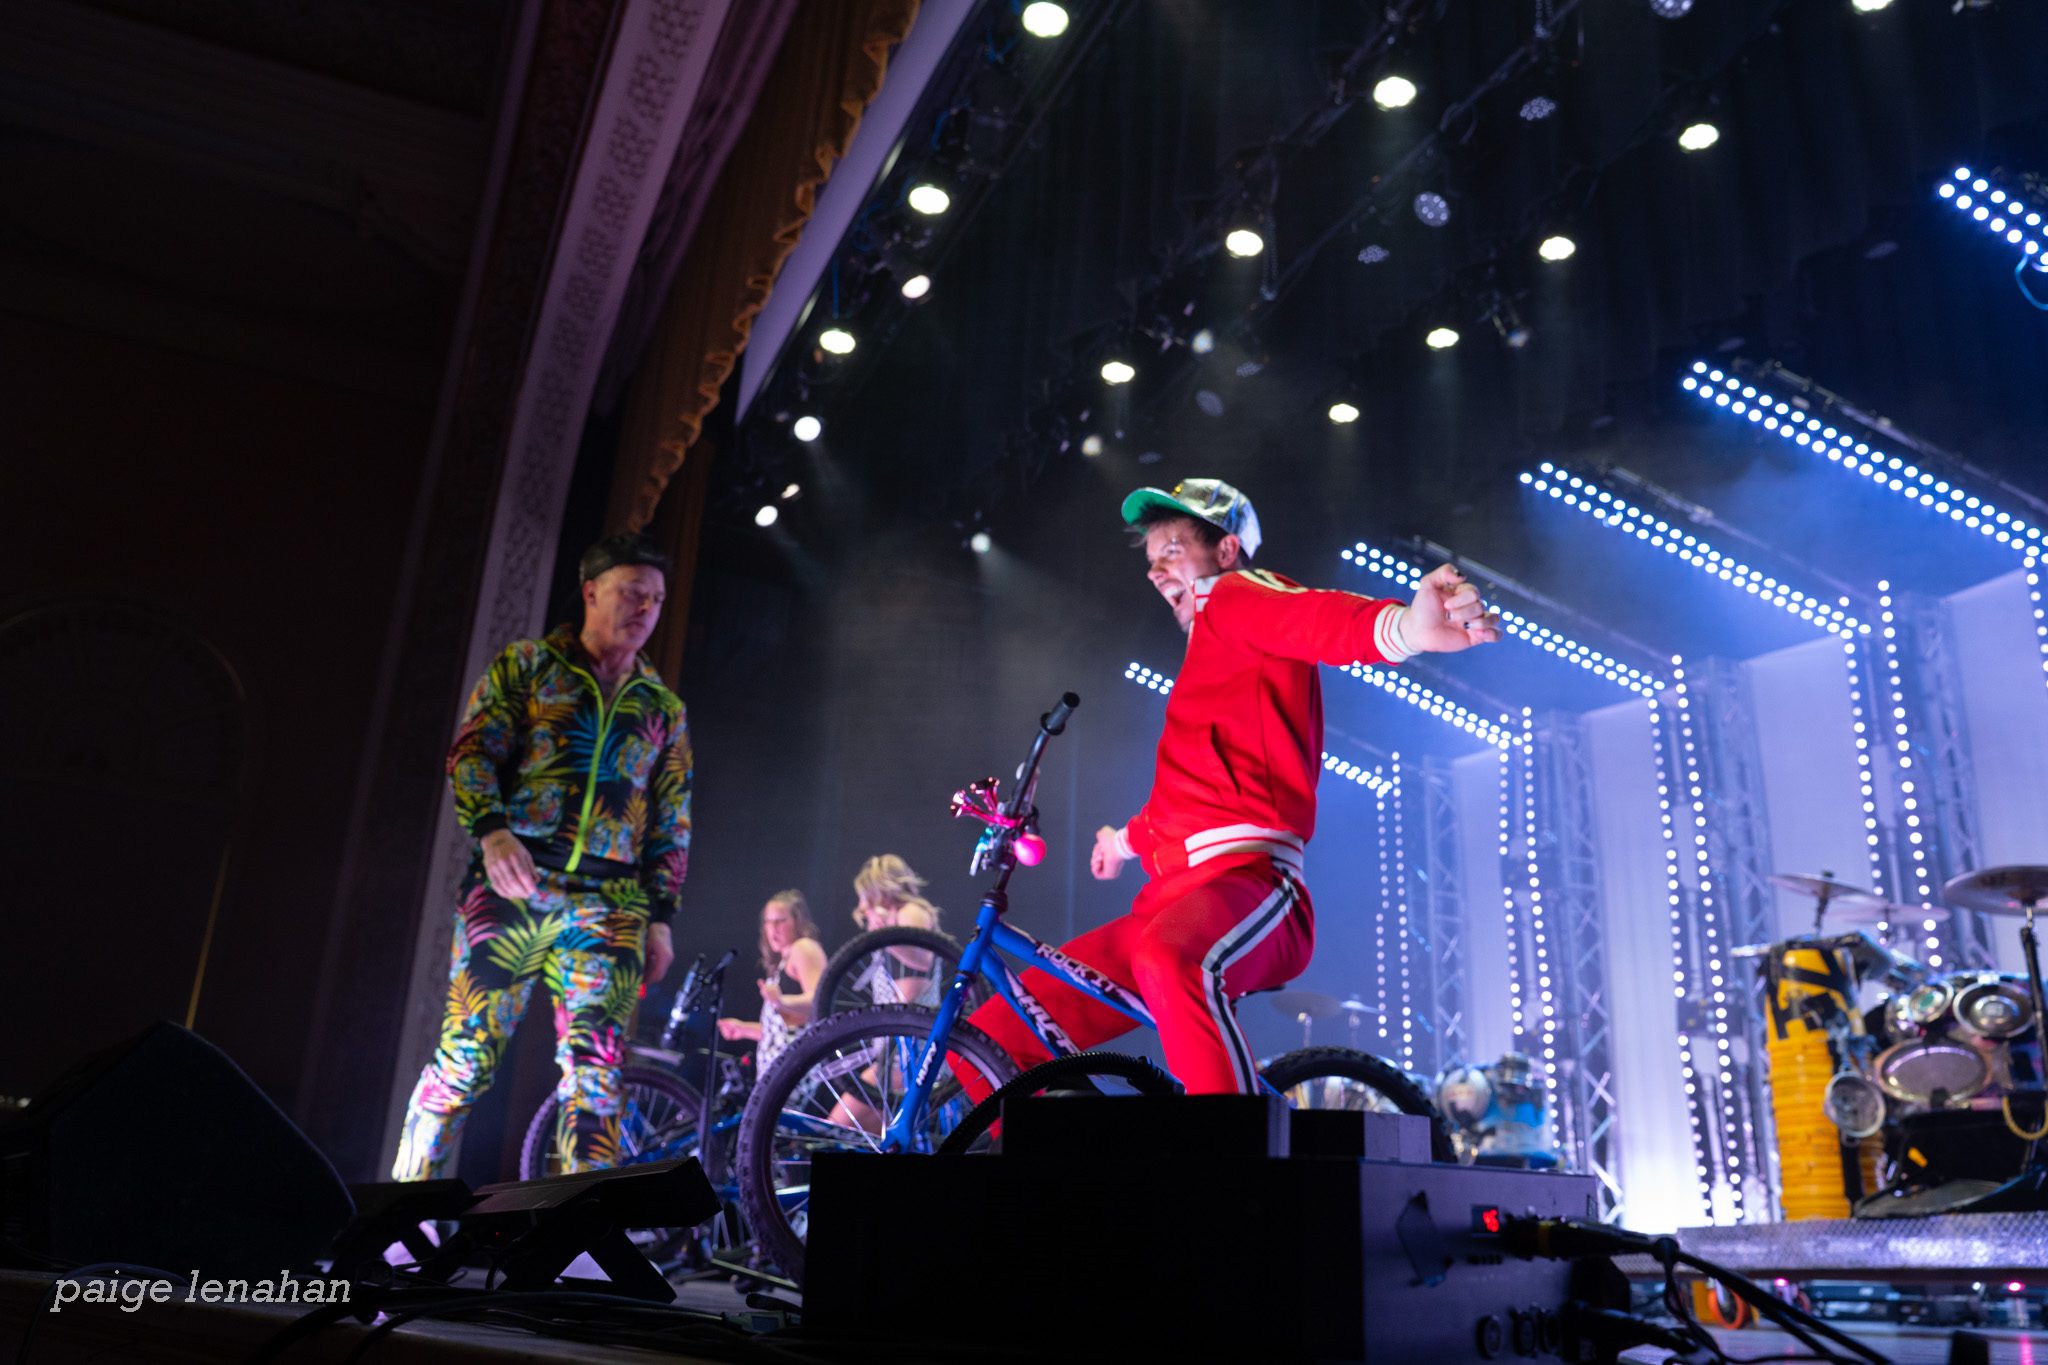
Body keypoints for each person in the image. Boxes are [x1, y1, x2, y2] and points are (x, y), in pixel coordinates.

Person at [963, 478, 1500, 1094]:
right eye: (1151, 559)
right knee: (988, 1041)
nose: (1156, 571)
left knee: (1168, 957)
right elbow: (1182, 804)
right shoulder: (1212, 660)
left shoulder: (1233, 595)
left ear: (1224, 550)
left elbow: (1315, 616)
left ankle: (1235, 1155)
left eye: (1171, 550)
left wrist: (1406, 627)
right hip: (1169, 903)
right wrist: (1122, 842)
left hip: (1249, 886)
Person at [392, 533, 692, 1179]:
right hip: (513, 888)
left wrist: (662, 916)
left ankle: (581, 1225)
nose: (646, 609)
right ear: (591, 592)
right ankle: (406, 1211)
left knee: (597, 1072)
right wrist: (493, 831)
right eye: (632, 593)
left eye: (657, 599)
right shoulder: (529, 667)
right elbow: (472, 752)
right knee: (467, 1056)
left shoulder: (661, 707)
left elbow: (672, 817)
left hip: (611, 905)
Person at [717, 891, 827, 1073]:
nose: (773, 928)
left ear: (797, 922)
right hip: (778, 1070)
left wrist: (781, 1001)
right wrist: (743, 1029)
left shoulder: (803, 948)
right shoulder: (783, 962)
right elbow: (782, 1031)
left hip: (795, 1068)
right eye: (768, 922)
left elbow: (819, 999)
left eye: (780, 921)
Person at [850, 855, 943, 1005]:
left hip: (911, 1013)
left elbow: (922, 963)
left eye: (866, 895)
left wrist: (885, 937)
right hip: (896, 1012)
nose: (862, 906)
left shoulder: (910, 912)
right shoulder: (892, 917)